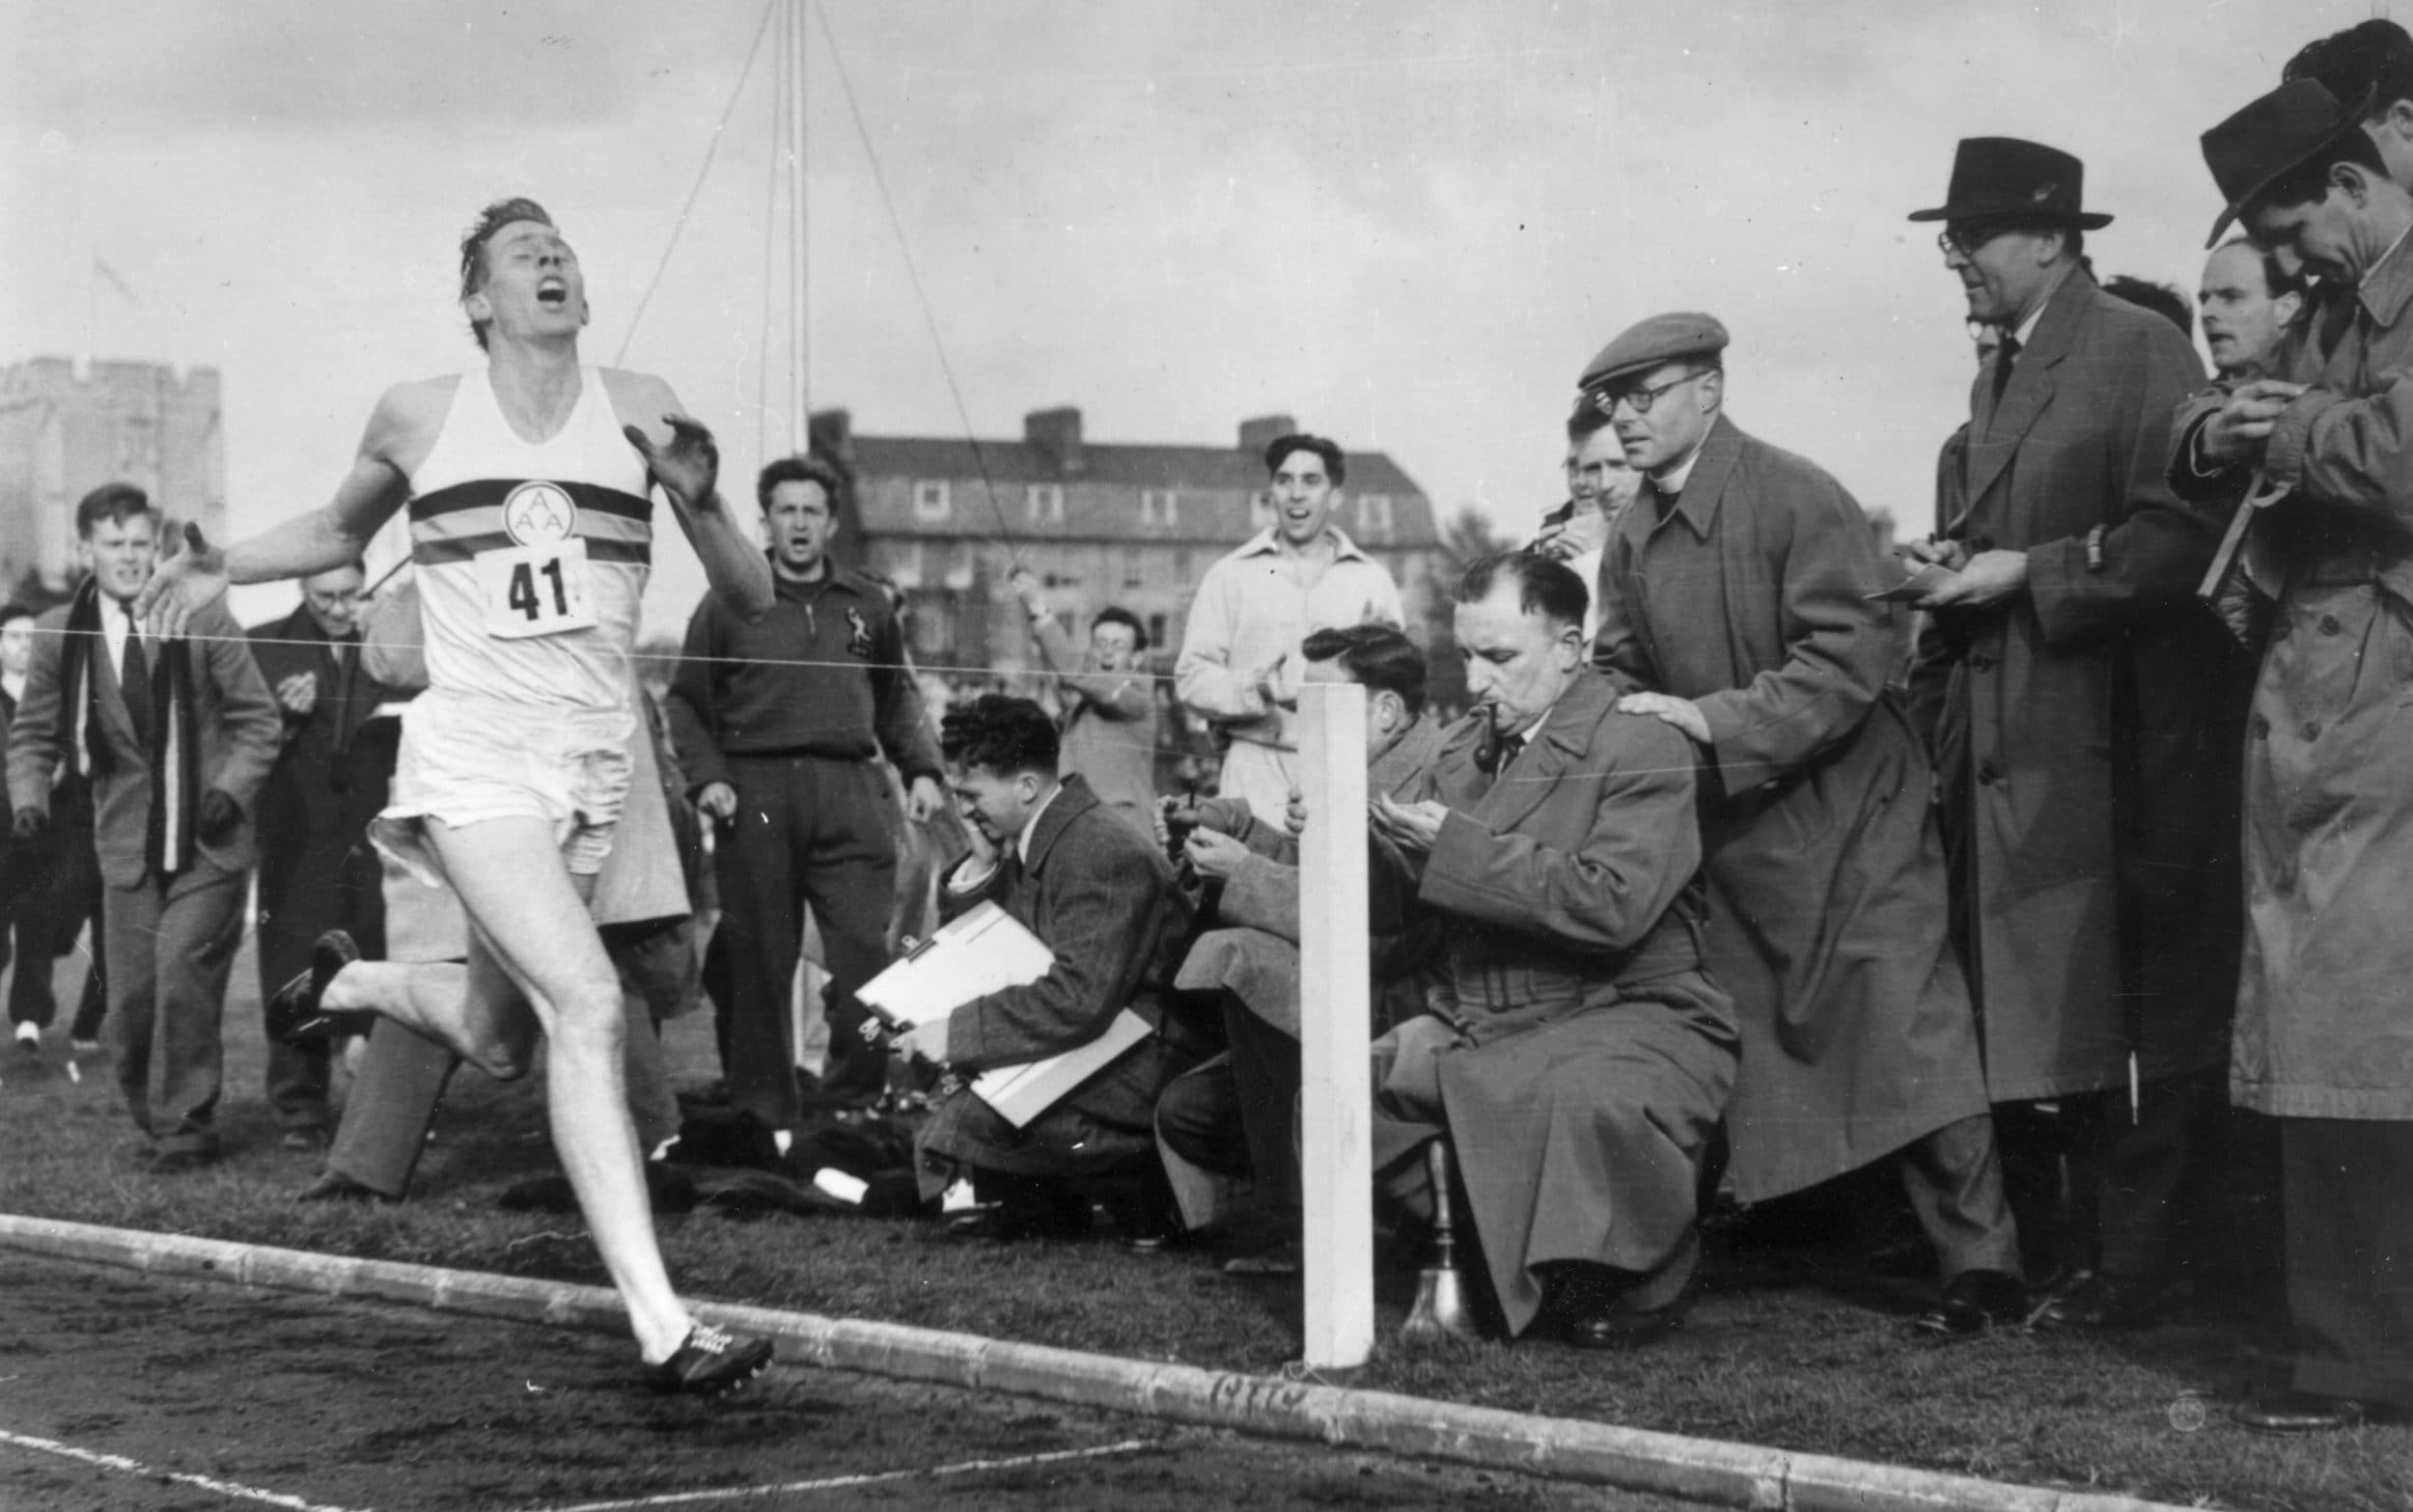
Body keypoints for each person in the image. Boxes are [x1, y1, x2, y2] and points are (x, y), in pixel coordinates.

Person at [134, 198, 778, 1395]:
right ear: (479, 298)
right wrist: (217, 561)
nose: (554, 263)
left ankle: (354, 982)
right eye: (523, 255)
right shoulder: (425, 411)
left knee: (498, 1033)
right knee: (586, 1000)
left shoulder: (639, 403)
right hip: (475, 754)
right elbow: (336, 526)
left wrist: (704, 499)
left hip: (594, 758)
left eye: (565, 252)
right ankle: (663, 1324)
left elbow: (746, 600)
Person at [1583, 312, 2023, 1339]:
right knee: (1751, 1036)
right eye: (1613, 403)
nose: (1625, 419)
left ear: (1710, 391)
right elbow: (1617, 665)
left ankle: (1982, 1264)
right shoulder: (1635, 531)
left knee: (1910, 1025)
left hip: (1854, 813)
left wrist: (1709, 719)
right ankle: (1777, 1232)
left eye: (1645, 396)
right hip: (1740, 827)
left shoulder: (1795, 492)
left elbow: (1851, 655)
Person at [1901, 139, 2250, 1331]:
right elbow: (2013, 516)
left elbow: (2180, 536)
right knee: (2057, 1010)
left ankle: (2134, 1267)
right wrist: (1956, 557)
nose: (1955, 255)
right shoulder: (2001, 366)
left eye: (1976, 233)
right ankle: (2084, 1255)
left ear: (2049, 238)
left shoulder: (2138, 348)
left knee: (2122, 1015)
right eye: (1950, 236)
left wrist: (2025, 571)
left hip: (2113, 745)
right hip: (2020, 740)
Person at [2173, 77, 2413, 1434]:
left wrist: (2286, 429)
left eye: (2295, 233)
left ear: (2352, 188)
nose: (2291, 266)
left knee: (2361, 1034)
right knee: (2332, 1032)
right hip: (2328, 690)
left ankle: (2361, 1354)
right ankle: (2347, 1348)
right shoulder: (2339, 307)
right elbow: (2218, 418)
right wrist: (2224, 424)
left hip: (2382, 695)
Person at [1362, 553, 1736, 1348]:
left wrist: (1455, 852)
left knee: (1570, 1098)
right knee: (1345, 1091)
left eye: (1499, 658)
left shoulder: (1638, 740)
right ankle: (1499, 1243)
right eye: (1464, 656)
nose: (1475, 681)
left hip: (1633, 1011)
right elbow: (1413, 906)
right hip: (1497, 1014)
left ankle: (1621, 1273)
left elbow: (1612, 904)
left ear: (1570, 650)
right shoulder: (1466, 749)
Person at [1152, 621, 1448, 1268]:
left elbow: (1380, 929)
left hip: (1402, 1011)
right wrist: (1237, 830)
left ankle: (1306, 1226)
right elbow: (1322, 873)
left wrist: (1244, 870)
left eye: (1318, 707)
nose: (1300, 729)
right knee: (1188, 1110)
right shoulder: (1369, 763)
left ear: (1386, 710)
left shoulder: (1425, 779)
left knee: (1247, 962)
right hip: (1373, 1004)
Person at [665, 454, 946, 1135]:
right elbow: (686, 703)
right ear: (764, 520)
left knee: (868, 957)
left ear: (831, 522)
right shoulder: (729, 600)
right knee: (761, 961)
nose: (798, 522)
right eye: (785, 510)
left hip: (849, 786)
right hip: (757, 791)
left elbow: (896, 696)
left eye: (811, 510)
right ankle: (766, 1116)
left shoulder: (867, 604)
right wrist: (711, 779)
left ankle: (847, 1100)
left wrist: (924, 769)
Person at [8, 483, 281, 1166]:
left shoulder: (203, 613)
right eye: (114, 544)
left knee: (182, 965)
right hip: (126, 842)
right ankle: (157, 1116)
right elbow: (34, 735)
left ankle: (186, 1124)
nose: (130, 558)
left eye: (140, 544)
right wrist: (29, 798)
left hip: (209, 840)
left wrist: (230, 787)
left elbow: (258, 720)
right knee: (129, 1003)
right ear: (84, 549)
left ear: (156, 546)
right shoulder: (56, 633)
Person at [893, 694, 1209, 1241]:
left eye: (971, 795)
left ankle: (1132, 1180)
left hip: (1147, 1062)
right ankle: (1062, 1192)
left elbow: (1077, 998)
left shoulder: (1097, 848)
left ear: (1027, 788)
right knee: (971, 1106)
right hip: (1112, 1042)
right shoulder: (1050, 836)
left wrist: (955, 1034)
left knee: (972, 1113)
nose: (962, 809)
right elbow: (992, 955)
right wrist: (984, 864)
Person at [247, 563, 404, 1147]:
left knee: (367, 951)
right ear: (300, 589)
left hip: (363, 836)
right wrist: (282, 716)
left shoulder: (384, 647)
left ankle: (369, 1093)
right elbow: (241, 737)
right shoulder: (263, 647)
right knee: (294, 964)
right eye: (324, 598)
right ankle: (300, 1110)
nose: (339, 610)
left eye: (349, 595)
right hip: (295, 834)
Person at [1176, 433, 1404, 821]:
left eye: (1311, 481)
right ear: (1272, 492)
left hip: (1346, 770)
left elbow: (1400, 687)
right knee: (1247, 877)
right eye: (1284, 481)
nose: (1296, 494)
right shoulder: (1230, 575)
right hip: (1256, 765)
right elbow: (1191, 678)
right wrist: (1257, 688)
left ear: (1334, 496)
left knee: (1340, 882)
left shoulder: (1372, 580)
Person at [1008, 568, 1158, 832]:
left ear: (1135, 659)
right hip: (1083, 825)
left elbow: (1070, 670)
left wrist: (1038, 607)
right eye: (1100, 643)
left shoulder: (1139, 691)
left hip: (1123, 829)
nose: (1107, 653)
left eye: (1118, 645)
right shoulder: (1088, 700)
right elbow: (1063, 674)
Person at [1533, 400, 1642, 647]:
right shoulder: (1550, 542)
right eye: (1588, 468)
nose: (1602, 484)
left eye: (1618, 465)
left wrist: (1592, 568)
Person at [2201, 240, 2309, 383]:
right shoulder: (2193, 401)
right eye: (2204, 300)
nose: (2206, 313)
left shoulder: (2328, 392)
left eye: (2231, 297)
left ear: (2286, 309)